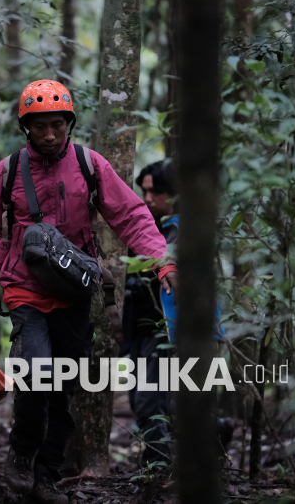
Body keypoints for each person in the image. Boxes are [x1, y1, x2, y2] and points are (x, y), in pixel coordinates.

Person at [0, 80, 177, 504]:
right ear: (26, 129)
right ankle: (21, 452)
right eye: (40, 127)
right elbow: (3, 240)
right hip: (24, 290)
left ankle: (48, 476)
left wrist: (161, 260)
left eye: (57, 125)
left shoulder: (89, 164)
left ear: (69, 123)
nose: (50, 135)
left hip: (75, 293)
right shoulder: (7, 172)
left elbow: (130, 215)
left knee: (62, 389)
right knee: (37, 373)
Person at [121, 160, 178, 467]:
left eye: (156, 192)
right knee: (140, 399)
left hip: (166, 329)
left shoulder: (182, 231)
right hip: (140, 327)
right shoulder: (143, 228)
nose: (148, 198)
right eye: (144, 191)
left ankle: (158, 467)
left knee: (149, 400)